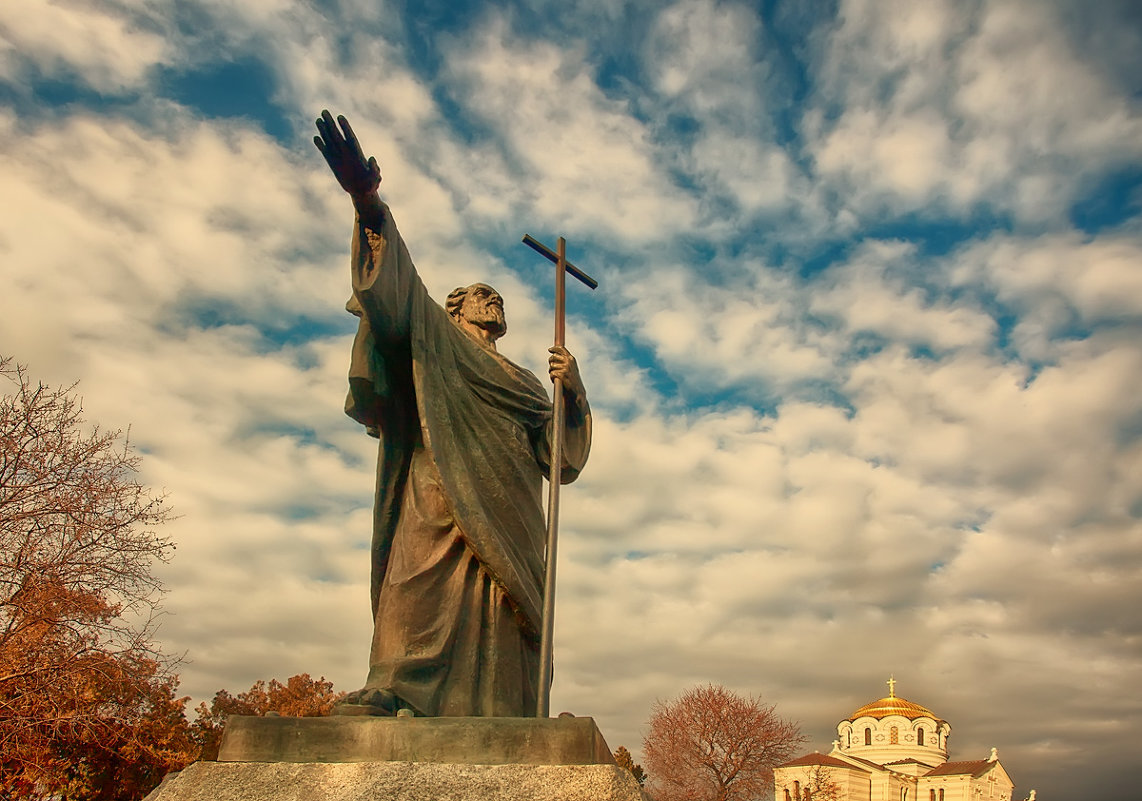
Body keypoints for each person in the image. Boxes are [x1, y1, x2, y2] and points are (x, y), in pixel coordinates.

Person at [314, 111, 591, 717]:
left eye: (497, 296)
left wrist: (571, 396)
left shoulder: (523, 378)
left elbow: (556, 460)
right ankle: (395, 684)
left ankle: (500, 708)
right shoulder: (434, 337)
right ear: (455, 308)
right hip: (437, 484)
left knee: (499, 603)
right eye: (478, 294)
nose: (490, 298)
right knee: (416, 582)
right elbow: (400, 288)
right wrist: (369, 207)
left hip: (511, 504)